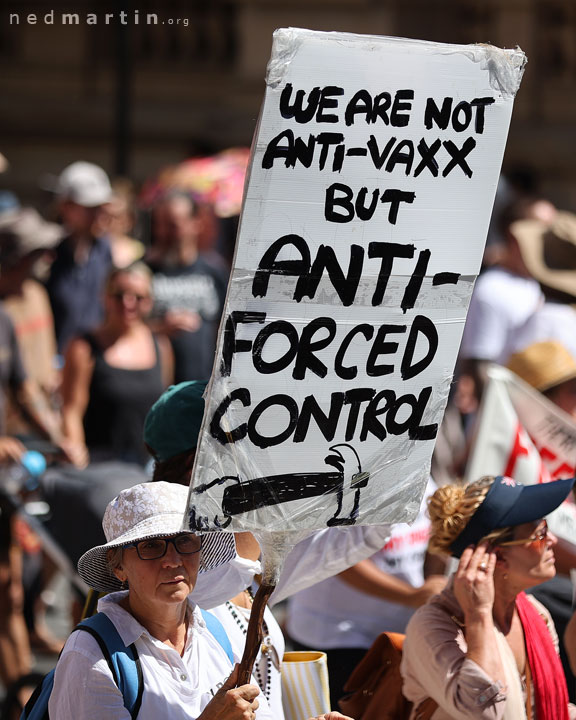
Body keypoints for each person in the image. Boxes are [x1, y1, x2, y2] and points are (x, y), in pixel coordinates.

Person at [144, 380, 393, 718]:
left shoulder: (247, 562)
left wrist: (385, 451)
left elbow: (361, 537)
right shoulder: (178, 583)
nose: (268, 460)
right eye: (253, 449)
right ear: (198, 471)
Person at [401, 475, 576, 719]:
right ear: (497, 556)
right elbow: (483, 712)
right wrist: (478, 616)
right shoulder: (432, 626)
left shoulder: (536, 614)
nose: (553, 540)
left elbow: (544, 708)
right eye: (540, 533)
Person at [286, 477, 447, 707]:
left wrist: (434, 580)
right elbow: (339, 561)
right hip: (337, 637)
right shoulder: (346, 477)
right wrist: (412, 596)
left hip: (396, 635)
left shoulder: (417, 469)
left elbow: (437, 533)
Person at [60, 262, 172, 467]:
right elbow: (71, 411)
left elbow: (164, 411)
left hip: (146, 469)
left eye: (138, 297)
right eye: (119, 295)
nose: (128, 303)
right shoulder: (83, 348)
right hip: (100, 466)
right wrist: (77, 457)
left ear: (149, 302)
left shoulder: (161, 347)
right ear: (104, 297)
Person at [146, 192, 228, 383]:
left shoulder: (214, 271)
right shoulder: (143, 273)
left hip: (205, 388)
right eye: (159, 224)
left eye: (173, 225)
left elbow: (230, 328)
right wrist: (160, 328)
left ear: (195, 223)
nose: (162, 233)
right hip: (157, 389)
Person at [45, 161, 113, 355]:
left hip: (97, 361)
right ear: (66, 207)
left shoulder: (107, 251)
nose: (99, 215)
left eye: (101, 207)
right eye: (90, 207)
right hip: (57, 362)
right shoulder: (48, 253)